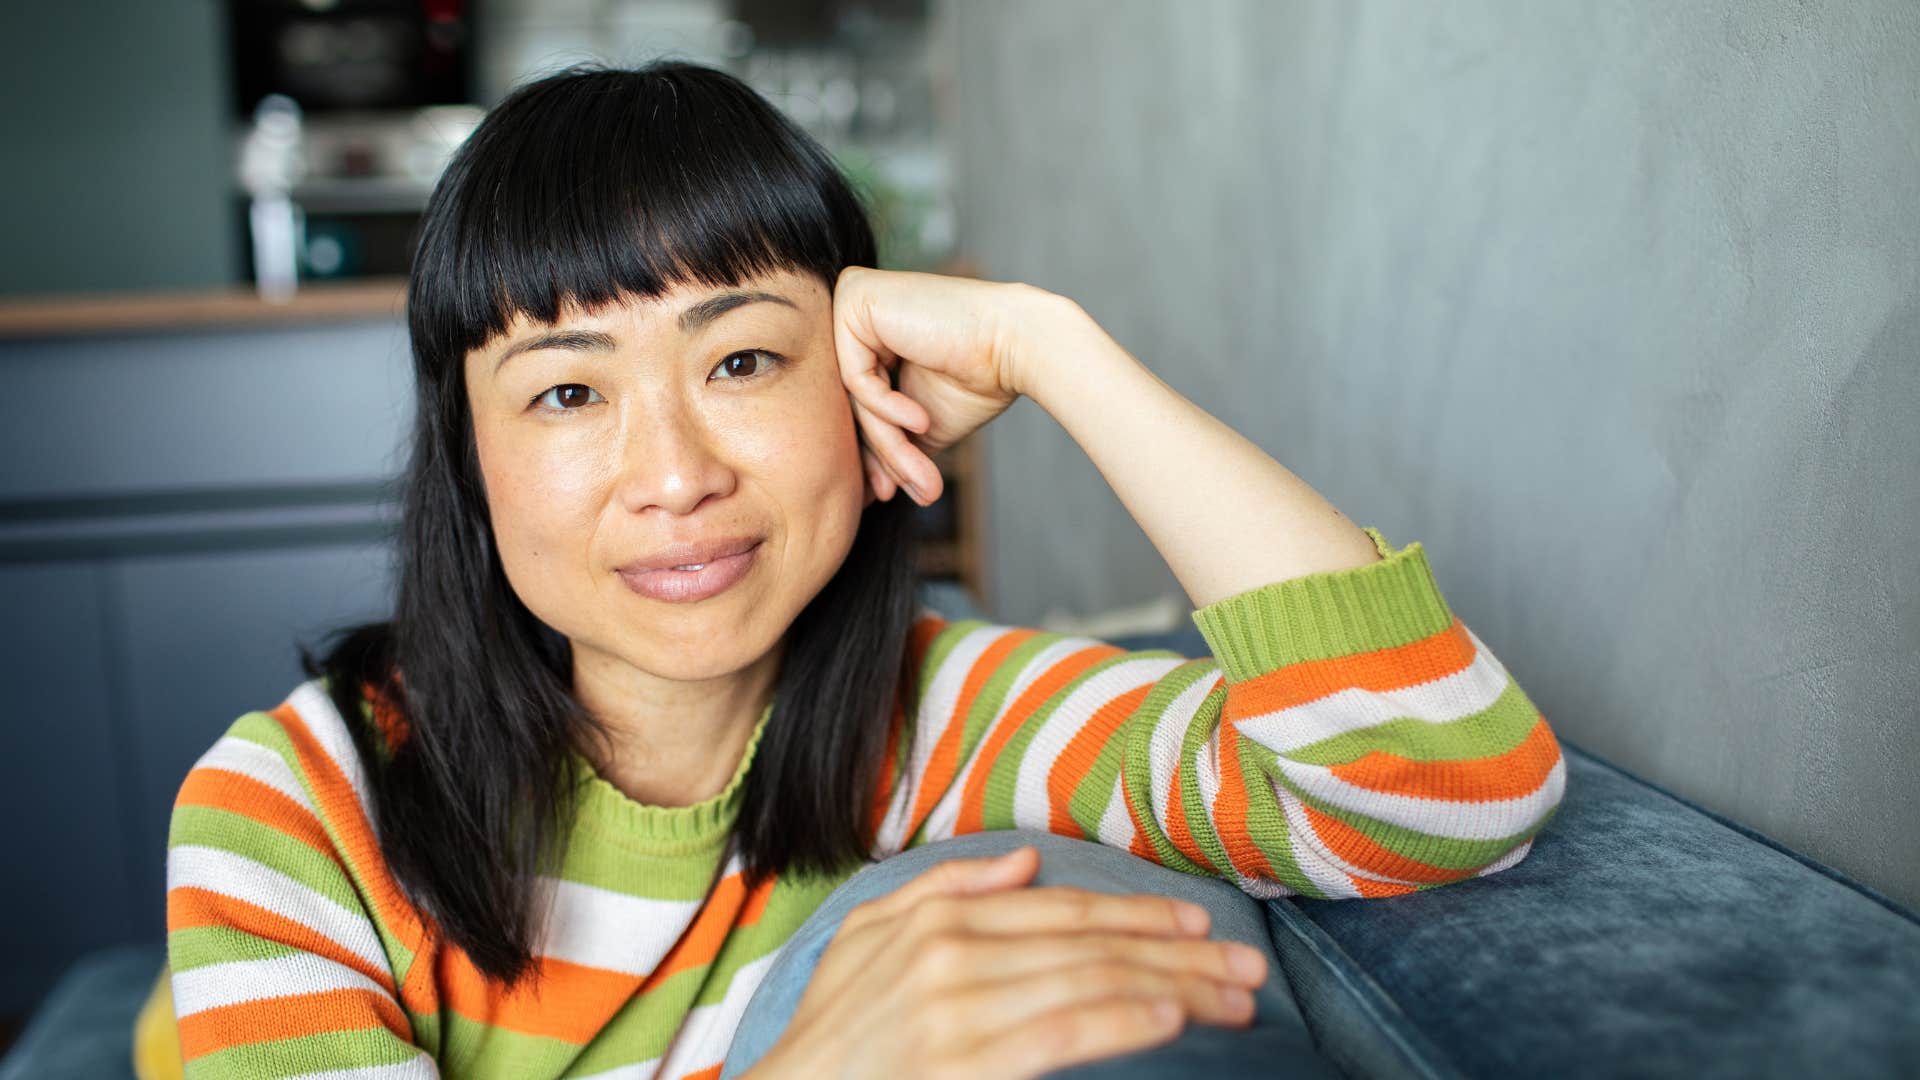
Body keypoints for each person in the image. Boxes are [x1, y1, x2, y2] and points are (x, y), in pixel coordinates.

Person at [150, 61, 1566, 1079]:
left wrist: (1050, 348)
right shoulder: (292, 808)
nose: (675, 476)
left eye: (744, 361)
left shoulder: (944, 721)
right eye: (568, 393)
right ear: (469, 458)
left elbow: (1442, 787)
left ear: (859, 380)